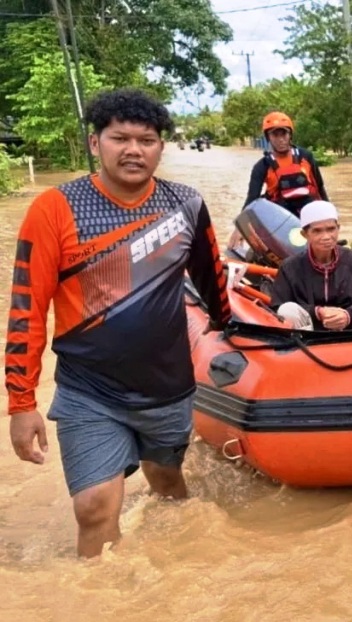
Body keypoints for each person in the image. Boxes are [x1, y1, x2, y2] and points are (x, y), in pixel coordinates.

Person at [4, 88, 232, 558]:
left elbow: (213, 281)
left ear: (161, 147)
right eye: (119, 138)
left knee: (168, 485)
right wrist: (21, 403)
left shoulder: (186, 205)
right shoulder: (55, 209)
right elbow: (27, 309)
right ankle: (100, 614)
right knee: (94, 508)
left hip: (168, 388)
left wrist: (236, 336)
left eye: (146, 140)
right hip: (90, 392)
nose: (133, 149)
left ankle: (176, 581)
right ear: (95, 143)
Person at [269, 200, 352, 331]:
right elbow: (277, 306)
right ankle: (303, 349)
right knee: (287, 309)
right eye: (317, 231)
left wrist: (348, 315)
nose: (326, 236)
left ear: (338, 229)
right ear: (305, 234)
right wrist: (318, 312)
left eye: (331, 229)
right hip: (311, 333)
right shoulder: (290, 267)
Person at [228, 111, 328, 251]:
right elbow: (252, 199)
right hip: (280, 218)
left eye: (284, 134)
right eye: (275, 135)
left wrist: (329, 216)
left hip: (307, 213)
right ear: (268, 137)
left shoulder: (306, 157)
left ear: (290, 135)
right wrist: (240, 228)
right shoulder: (262, 166)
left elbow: (320, 187)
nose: (281, 139)